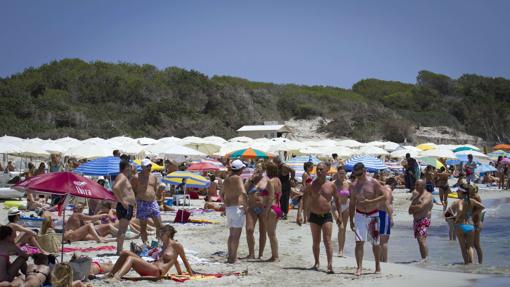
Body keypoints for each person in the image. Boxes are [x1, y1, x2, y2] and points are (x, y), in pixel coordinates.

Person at [107, 225, 193, 280]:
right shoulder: (164, 245)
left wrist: (191, 275)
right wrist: (179, 273)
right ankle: (110, 274)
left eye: (161, 233)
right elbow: (175, 260)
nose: (159, 235)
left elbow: (184, 261)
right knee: (125, 252)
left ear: (168, 233)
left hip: (157, 272)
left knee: (131, 258)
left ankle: (117, 277)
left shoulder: (177, 245)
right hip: (151, 267)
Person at [299, 162, 340, 274]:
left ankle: (330, 264)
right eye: (317, 169)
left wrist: (339, 215)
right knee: (316, 241)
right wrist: (300, 214)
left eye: (321, 169)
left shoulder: (331, 185)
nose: (319, 171)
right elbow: (304, 199)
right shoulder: (311, 185)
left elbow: (337, 200)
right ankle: (317, 262)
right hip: (314, 215)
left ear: (327, 170)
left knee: (327, 240)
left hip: (326, 215)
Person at [349, 162, 387, 276]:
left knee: (375, 242)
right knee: (359, 242)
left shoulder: (373, 182)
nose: (358, 176)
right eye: (356, 174)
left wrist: (370, 201)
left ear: (364, 171)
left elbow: (384, 196)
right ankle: (359, 267)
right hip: (360, 214)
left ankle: (377, 265)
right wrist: (351, 220)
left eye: (360, 174)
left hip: (373, 214)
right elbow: (351, 204)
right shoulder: (353, 186)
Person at [447, 184, 485, 264]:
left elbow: (460, 210)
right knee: (471, 246)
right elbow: (482, 207)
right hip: (470, 225)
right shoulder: (472, 200)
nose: (457, 192)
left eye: (458, 191)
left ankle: (466, 264)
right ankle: (472, 264)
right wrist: (473, 213)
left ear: (461, 192)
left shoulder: (459, 201)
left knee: (463, 247)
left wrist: (456, 218)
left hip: (460, 225)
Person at [220, 159, 247, 264]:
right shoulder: (238, 178)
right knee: (236, 235)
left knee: (231, 234)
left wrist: (225, 203)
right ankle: (233, 257)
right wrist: (246, 206)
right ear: (240, 169)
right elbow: (243, 192)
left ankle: (230, 256)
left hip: (229, 208)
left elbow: (221, 193)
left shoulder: (227, 179)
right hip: (237, 208)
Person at [131, 159, 162, 246]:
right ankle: (146, 244)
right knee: (143, 226)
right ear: (142, 167)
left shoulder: (154, 177)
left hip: (153, 203)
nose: (149, 167)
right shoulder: (136, 177)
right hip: (141, 203)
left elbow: (154, 189)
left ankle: (159, 242)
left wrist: (157, 197)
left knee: (159, 224)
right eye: (147, 166)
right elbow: (132, 191)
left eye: (150, 166)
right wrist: (133, 204)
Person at [243, 163, 271, 259]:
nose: (258, 170)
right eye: (257, 168)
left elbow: (271, 195)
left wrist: (268, 208)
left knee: (263, 231)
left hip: (263, 208)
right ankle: (251, 253)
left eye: (260, 168)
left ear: (264, 170)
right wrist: (251, 180)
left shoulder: (267, 180)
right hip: (251, 207)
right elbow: (243, 191)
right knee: (249, 230)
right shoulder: (249, 179)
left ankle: (261, 254)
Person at [112, 159, 137, 254]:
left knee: (123, 229)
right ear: (126, 167)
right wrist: (122, 202)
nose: (131, 168)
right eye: (130, 166)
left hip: (126, 205)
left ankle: (119, 249)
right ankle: (119, 250)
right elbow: (115, 188)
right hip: (124, 206)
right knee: (122, 229)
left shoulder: (123, 177)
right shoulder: (122, 176)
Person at [408, 180, 433, 261]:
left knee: (421, 239)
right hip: (416, 221)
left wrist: (415, 207)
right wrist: (416, 207)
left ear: (423, 185)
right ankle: (424, 259)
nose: (415, 186)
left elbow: (421, 207)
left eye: (417, 185)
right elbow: (409, 211)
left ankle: (426, 259)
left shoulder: (427, 195)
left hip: (424, 220)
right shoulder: (417, 196)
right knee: (420, 241)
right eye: (415, 184)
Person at [332, 165, 350, 257]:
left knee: (343, 230)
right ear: (337, 173)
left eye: (343, 173)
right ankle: (340, 249)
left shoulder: (348, 183)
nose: (342, 175)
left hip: (346, 206)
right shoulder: (333, 183)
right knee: (341, 227)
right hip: (335, 207)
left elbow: (353, 196)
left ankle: (341, 250)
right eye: (340, 173)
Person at [265, 161, 282, 261]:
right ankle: (274, 255)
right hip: (278, 207)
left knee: (271, 234)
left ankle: (275, 256)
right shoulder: (278, 180)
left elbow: (270, 197)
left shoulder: (270, 182)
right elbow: (280, 194)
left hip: (272, 208)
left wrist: (266, 211)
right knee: (273, 233)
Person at [379, 178, 395, 262]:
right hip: (384, 215)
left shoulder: (382, 188)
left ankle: (380, 259)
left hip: (379, 213)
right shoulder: (388, 189)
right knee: (384, 240)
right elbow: (387, 203)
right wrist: (391, 218)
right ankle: (384, 261)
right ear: (392, 184)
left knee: (380, 239)